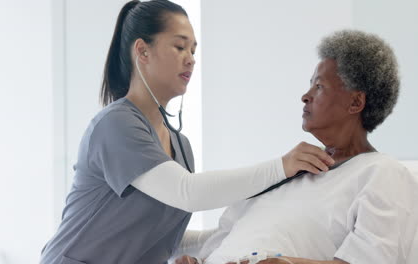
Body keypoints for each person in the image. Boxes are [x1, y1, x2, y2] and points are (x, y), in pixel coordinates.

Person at [39, 1, 333, 264]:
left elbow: (162, 237)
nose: (191, 58)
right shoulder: (116, 125)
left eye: (193, 50)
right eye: (180, 47)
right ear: (142, 51)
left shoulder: (180, 146)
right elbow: (187, 192)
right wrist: (282, 167)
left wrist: (234, 233)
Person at [174, 30, 418, 264]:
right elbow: (224, 240)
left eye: (319, 87)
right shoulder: (289, 170)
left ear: (355, 102)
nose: (305, 95)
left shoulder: (381, 172)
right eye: (310, 85)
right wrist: (199, 260)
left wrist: (286, 263)